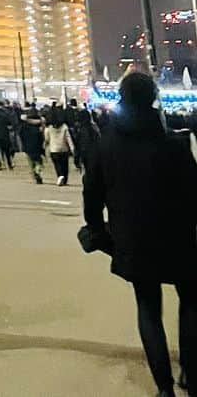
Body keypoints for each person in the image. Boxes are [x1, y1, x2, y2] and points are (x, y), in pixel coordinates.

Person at [83, 70, 197, 397]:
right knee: (191, 300)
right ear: (153, 100)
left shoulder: (106, 145)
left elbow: (92, 195)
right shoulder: (174, 144)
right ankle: (190, 372)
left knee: (148, 307)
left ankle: (164, 388)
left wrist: (95, 229)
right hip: (178, 237)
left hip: (132, 238)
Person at [46, 110, 76, 185]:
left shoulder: (49, 128)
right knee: (65, 165)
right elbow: (68, 138)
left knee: (57, 165)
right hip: (64, 149)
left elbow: (47, 139)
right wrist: (72, 148)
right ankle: (65, 179)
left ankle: (60, 176)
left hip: (53, 149)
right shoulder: (64, 127)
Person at [19, 104, 46, 184]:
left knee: (31, 163)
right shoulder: (40, 126)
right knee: (39, 162)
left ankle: (35, 176)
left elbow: (21, 136)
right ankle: (38, 172)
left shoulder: (24, 126)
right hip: (37, 147)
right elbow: (42, 137)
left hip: (27, 147)